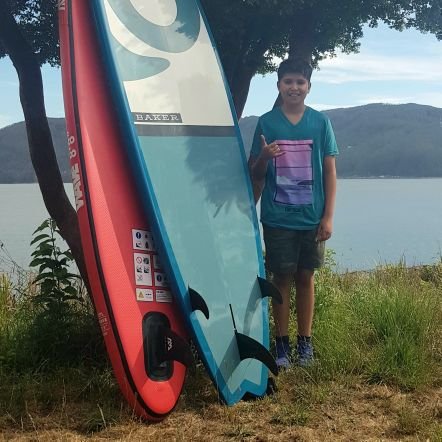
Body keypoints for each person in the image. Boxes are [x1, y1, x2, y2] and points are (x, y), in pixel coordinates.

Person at [248, 58, 338, 368]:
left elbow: (329, 172)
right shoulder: (267, 122)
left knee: (305, 277)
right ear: (278, 86)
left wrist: (327, 216)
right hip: (277, 218)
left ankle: (305, 344)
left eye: (300, 82)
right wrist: (264, 156)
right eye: (288, 82)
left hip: (311, 218)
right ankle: (282, 346)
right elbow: (256, 173)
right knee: (281, 278)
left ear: (308, 87)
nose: (294, 87)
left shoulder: (320, 122)